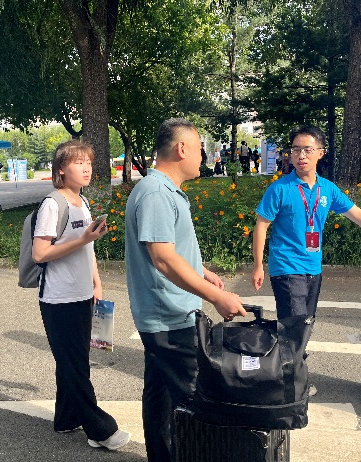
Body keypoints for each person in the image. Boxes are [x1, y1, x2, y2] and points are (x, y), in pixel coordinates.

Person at [251, 125, 361, 397]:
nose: (301, 155)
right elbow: (261, 225)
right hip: (286, 267)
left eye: (307, 150)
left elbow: (358, 215)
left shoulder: (327, 189)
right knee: (294, 325)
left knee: (305, 324)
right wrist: (258, 265)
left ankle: (287, 376)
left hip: (313, 268)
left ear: (320, 153)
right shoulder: (279, 189)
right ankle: (289, 385)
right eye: (295, 150)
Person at [125, 118, 246, 462]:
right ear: (181, 149)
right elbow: (163, 259)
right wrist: (217, 297)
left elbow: (171, 250)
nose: (202, 157)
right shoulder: (156, 193)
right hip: (170, 317)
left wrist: (202, 272)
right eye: (199, 149)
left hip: (164, 314)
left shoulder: (161, 190)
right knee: (196, 398)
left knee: (160, 396)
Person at [32, 140, 131, 451]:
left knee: (73, 360)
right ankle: (100, 429)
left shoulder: (82, 201)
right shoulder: (53, 204)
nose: (86, 168)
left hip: (82, 293)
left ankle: (66, 418)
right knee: (75, 364)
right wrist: (84, 239)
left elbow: (88, 250)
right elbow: (40, 254)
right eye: (78, 163)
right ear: (62, 169)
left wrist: (96, 282)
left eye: (88, 162)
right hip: (58, 298)